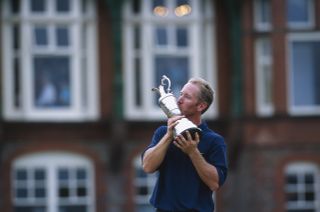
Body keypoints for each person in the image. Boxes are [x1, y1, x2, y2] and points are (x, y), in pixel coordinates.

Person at [142, 77, 228, 212]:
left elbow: (214, 183)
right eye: (180, 94)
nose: (179, 100)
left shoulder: (214, 141)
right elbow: (147, 166)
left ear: (201, 106)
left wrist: (193, 152)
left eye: (187, 97)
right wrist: (169, 136)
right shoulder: (163, 132)